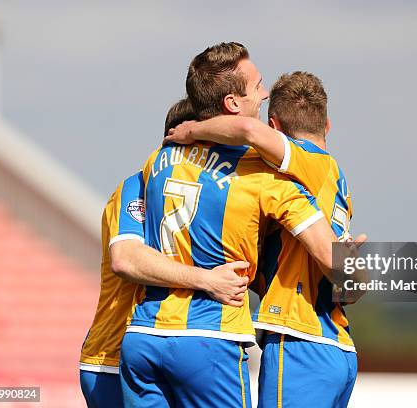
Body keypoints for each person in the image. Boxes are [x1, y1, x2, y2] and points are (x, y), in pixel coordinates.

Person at [119, 42, 356, 408]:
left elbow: (125, 257)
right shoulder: (269, 174)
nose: (262, 93)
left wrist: (191, 133)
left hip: (143, 335)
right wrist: (360, 273)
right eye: (257, 86)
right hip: (221, 334)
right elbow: (333, 260)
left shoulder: (155, 163)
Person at [79, 99, 249, 408]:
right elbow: (125, 259)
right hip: (114, 357)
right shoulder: (137, 187)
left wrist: (351, 278)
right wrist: (208, 280)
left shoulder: (281, 178)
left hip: (321, 345)